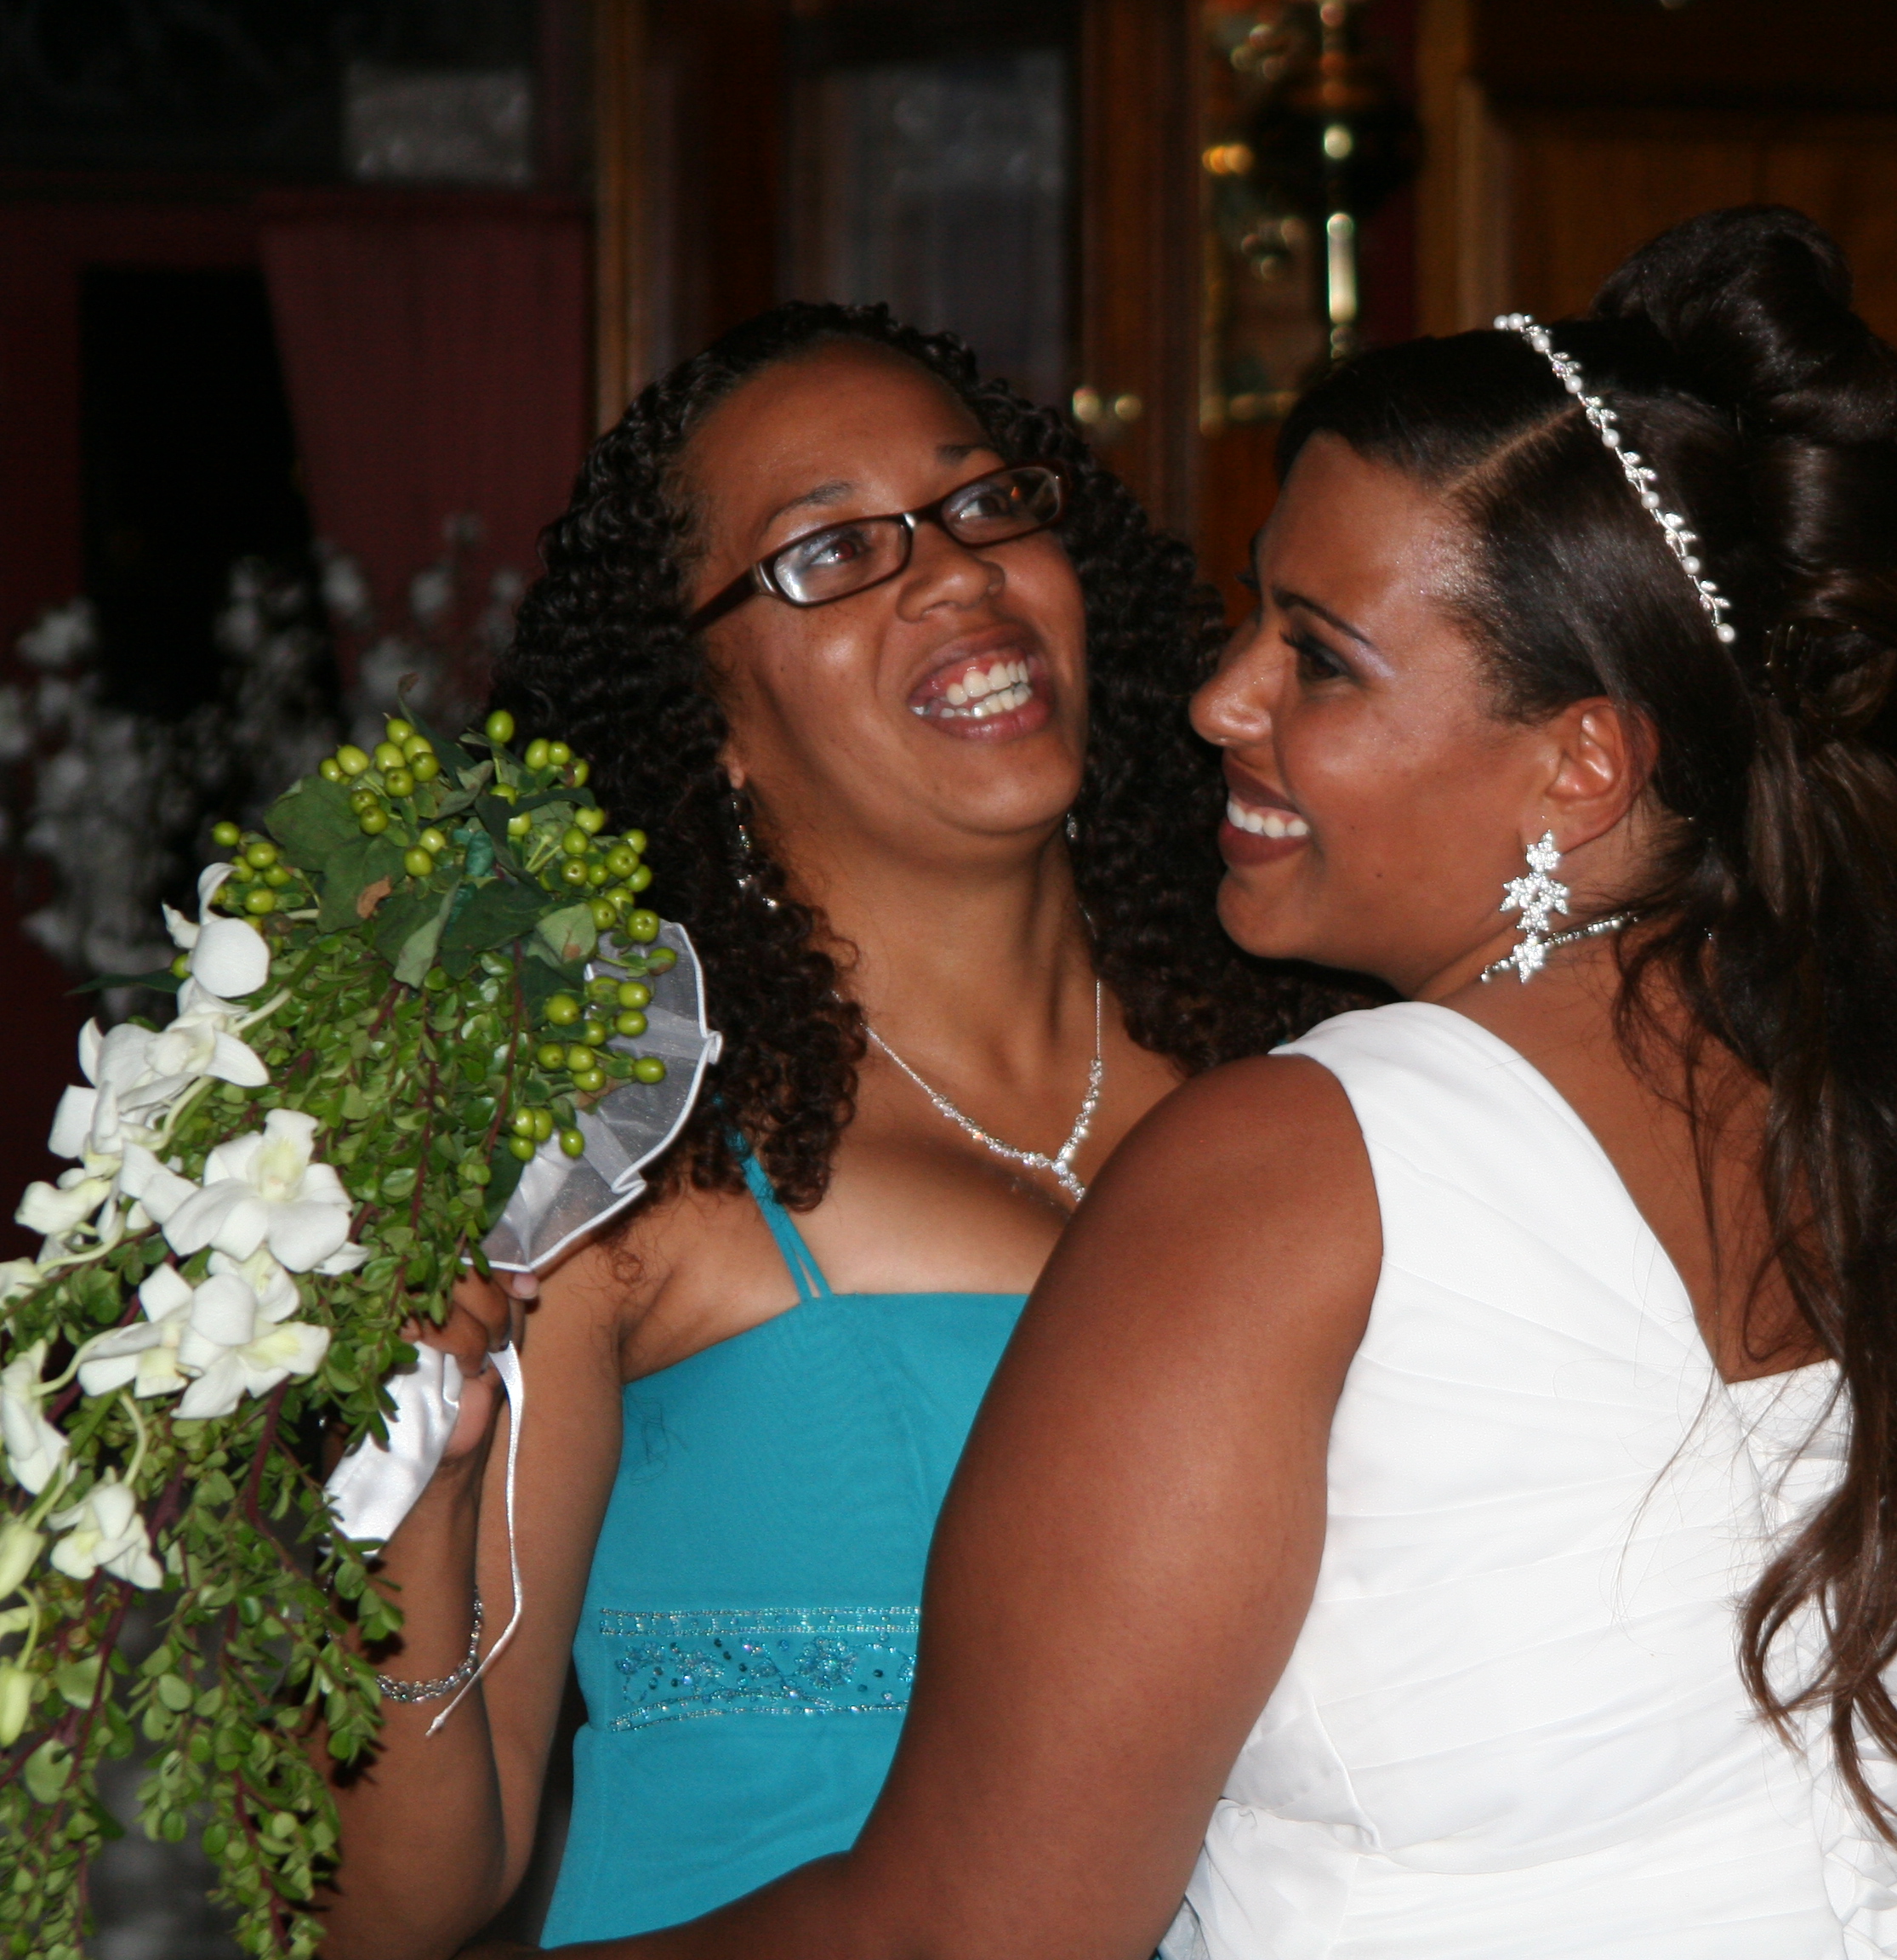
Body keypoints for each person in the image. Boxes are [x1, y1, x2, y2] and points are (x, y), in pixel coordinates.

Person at [517, 207, 1897, 1960]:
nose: (1218, 699)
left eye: (1317, 655)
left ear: (1582, 762)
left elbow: (976, 1933)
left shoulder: (1296, 1163)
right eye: (1252, 616)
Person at [316, 302, 1364, 1957]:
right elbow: (390, 1912)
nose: (952, 573)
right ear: (709, 718)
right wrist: (422, 1501)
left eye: (984, 503)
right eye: (830, 552)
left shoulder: (1317, 1078)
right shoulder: (617, 1163)